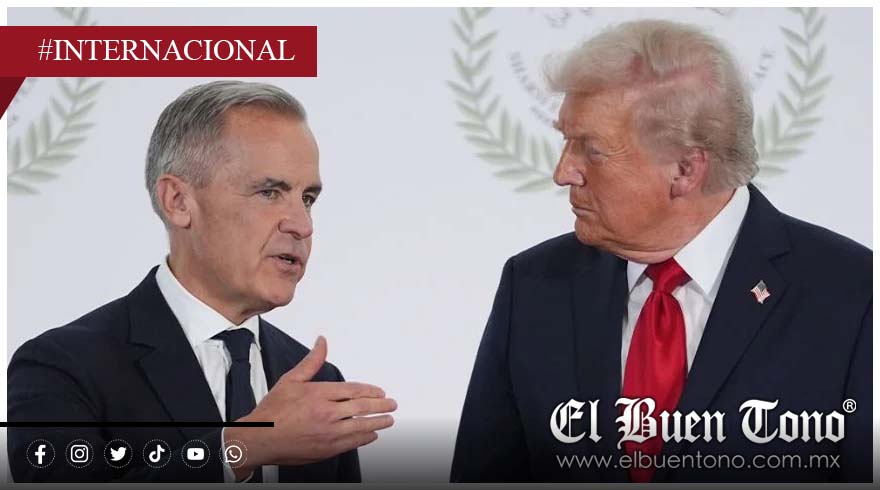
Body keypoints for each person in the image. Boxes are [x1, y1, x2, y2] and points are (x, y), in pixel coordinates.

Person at [451, 20, 870, 483]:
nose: (563, 171)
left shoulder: (854, 296)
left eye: (591, 150)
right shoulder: (534, 286)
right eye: (566, 141)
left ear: (685, 170)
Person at [8, 81, 397, 483]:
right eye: (269, 192)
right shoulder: (62, 366)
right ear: (178, 202)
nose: (302, 224)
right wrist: (246, 447)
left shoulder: (319, 387)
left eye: (308, 199)